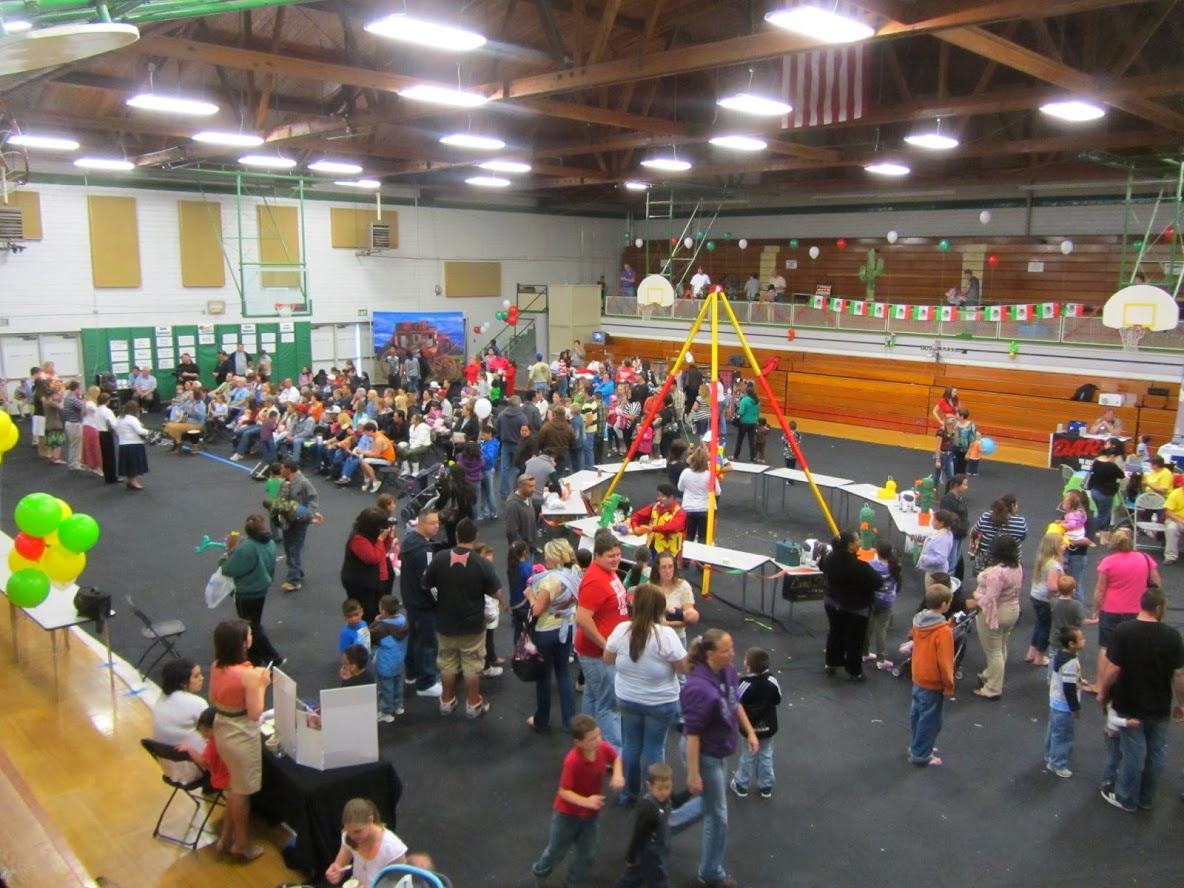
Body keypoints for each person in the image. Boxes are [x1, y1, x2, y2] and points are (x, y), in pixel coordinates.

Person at [679, 629, 759, 888]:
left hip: (718, 750)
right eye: (726, 650)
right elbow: (692, 735)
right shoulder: (698, 688)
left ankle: (661, 826)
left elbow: (735, 702)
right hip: (704, 755)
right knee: (718, 817)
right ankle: (711, 871)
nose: (732, 653)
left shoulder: (728, 671)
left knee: (709, 804)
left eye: (732, 648)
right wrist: (693, 774)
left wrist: (750, 732)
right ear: (710, 654)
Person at [1097, 587, 1184, 813]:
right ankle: (1146, 798)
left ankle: (1126, 797)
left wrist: (1103, 691)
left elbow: (1113, 668)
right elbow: (1178, 675)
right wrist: (1181, 703)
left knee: (1134, 753)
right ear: (1159, 608)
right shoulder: (1172, 636)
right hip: (1160, 704)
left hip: (1129, 703)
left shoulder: (1124, 631)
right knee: (1156, 752)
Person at [604, 584, 689, 807]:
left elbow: (607, 658)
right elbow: (683, 668)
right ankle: (654, 797)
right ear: (660, 608)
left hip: (628, 699)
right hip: (661, 702)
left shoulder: (622, 630)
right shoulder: (666, 635)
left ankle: (628, 795)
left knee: (631, 746)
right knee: (654, 748)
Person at [531, 714, 625, 886]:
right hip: (567, 815)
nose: (598, 741)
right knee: (556, 850)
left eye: (598, 735)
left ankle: (573, 881)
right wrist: (586, 801)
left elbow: (616, 758)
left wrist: (617, 775)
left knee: (587, 853)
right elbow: (563, 791)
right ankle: (540, 872)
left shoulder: (602, 748)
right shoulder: (572, 761)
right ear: (578, 742)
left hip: (590, 815)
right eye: (592, 739)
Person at [423, 518, 501, 718]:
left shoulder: (440, 558)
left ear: (456, 535)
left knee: (447, 663)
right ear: (475, 536)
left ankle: (446, 701)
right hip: (472, 624)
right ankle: (473, 704)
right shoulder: (482, 563)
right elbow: (496, 592)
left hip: (445, 622)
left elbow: (426, 583)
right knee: (472, 665)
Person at [209, 619, 270, 861]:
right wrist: (262, 685)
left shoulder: (216, 666)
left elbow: (213, 696)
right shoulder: (248, 675)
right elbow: (256, 712)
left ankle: (226, 837)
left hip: (223, 728)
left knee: (234, 786)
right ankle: (242, 843)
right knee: (241, 792)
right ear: (243, 643)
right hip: (241, 735)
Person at [574, 531, 631, 751]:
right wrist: (605, 645)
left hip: (602, 652)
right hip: (597, 654)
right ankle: (615, 753)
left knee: (593, 694)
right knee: (609, 705)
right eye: (610, 556)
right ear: (597, 555)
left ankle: (586, 742)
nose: (616, 559)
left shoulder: (609, 572)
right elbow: (582, 618)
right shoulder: (595, 581)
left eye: (618, 554)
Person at [1090, 528, 1160, 697]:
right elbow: (1156, 584)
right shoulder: (1145, 559)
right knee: (1136, 646)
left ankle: (1100, 685)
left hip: (1111, 609)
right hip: (1138, 610)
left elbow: (1100, 590)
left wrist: (1095, 609)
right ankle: (1134, 684)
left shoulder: (1108, 562)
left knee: (1106, 646)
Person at [525, 539, 582, 733]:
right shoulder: (574, 572)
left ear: (555, 557)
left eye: (548, 555)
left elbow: (537, 610)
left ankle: (541, 720)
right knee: (564, 674)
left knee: (543, 676)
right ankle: (570, 722)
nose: (545, 558)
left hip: (547, 630)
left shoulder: (551, 580)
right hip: (566, 626)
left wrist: (530, 595)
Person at [965, 534, 1024, 700]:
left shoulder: (998, 573)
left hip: (995, 614)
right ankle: (991, 674)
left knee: (993, 651)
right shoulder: (1017, 567)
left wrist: (975, 598)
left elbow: (990, 599)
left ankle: (992, 688)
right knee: (1001, 645)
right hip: (1012, 610)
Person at [219, 514, 281, 667]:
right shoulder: (270, 543)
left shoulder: (247, 547)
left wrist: (224, 559)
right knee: (255, 622)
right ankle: (254, 657)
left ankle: (273, 657)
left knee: (250, 627)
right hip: (262, 589)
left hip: (247, 592)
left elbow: (228, 569)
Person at [821, 531, 884, 680]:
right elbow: (878, 582)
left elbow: (821, 565)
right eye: (858, 540)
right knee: (855, 640)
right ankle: (854, 671)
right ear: (850, 545)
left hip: (832, 603)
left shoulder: (830, 557)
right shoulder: (860, 567)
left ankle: (831, 663)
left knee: (835, 632)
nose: (860, 542)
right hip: (856, 608)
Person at [907, 584, 955, 766]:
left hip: (918, 675)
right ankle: (921, 754)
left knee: (917, 713)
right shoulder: (943, 631)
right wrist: (949, 685)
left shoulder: (919, 621)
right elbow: (945, 661)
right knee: (931, 719)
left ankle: (917, 744)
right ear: (944, 604)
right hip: (933, 680)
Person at [400, 507, 443, 698]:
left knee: (414, 638)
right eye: (433, 523)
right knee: (427, 642)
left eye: (438, 522)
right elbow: (428, 582)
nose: (437, 526)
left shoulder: (409, 541)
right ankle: (426, 682)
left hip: (410, 599)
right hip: (423, 603)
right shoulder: (424, 551)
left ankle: (411, 673)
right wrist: (439, 601)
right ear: (421, 523)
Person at [728, 647, 781, 799]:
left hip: (750, 727)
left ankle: (741, 784)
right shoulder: (772, 681)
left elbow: (735, 701)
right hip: (769, 725)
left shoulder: (745, 683)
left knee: (748, 755)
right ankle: (766, 785)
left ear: (748, 665)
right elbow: (778, 699)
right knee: (766, 754)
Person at [616, 762, 679, 888]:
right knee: (659, 881)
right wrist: (631, 856)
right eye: (660, 788)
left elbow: (677, 801)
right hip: (650, 854)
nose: (664, 792)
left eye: (667, 788)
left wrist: (689, 792)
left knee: (633, 878)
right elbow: (638, 834)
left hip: (658, 851)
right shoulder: (648, 809)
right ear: (649, 786)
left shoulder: (666, 800)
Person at [325, 798, 413, 886]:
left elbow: (402, 882)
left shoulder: (392, 846)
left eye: (357, 831)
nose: (352, 836)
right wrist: (335, 872)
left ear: (370, 820)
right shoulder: (348, 837)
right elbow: (340, 864)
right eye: (348, 831)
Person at [152, 659, 208, 783]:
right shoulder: (197, 703)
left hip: (169, 769)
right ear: (183, 683)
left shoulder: (161, 699)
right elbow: (214, 732)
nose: (202, 678)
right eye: (196, 676)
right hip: (195, 767)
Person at [272, 459, 323, 592]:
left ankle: (294, 580)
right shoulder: (284, 483)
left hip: (300, 521)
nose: (280, 470)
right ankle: (297, 571)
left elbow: (313, 500)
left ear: (288, 470)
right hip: (287, 520)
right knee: (288, 548)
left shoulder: (304, 483)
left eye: (282, 468)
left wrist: (308, 515)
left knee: (294, 549)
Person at [340, 506, 395, 624]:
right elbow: (373, 558)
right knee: (368, 614)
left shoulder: (372, 533)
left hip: (375, 580)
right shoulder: (358, 538)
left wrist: (389, 536)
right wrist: (380, 539)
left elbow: (383, 551)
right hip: (361, 584)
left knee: (378, 611)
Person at [1044, 627, 1085, 778]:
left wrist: (1079, 680)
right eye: (1081, 639)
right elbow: (1069, 689)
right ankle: (1058, 764)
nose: (1084, 641)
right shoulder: (1071, 663)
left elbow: (1063, 678)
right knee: (1063, 735)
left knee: (1053, 730)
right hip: (1064, 706)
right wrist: (1075, 708)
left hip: (1055, 700)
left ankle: (1049, 755)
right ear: (1071, 644)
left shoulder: (1060, 656)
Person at [1025, 532, 1065, 668]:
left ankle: (1031, 653)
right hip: (1044, 600)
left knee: (1040, 624)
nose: (1064, 546)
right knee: (1046, 628)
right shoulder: (1053, 566)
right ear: (1055, 546)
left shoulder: (1044, 559)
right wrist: (1067, 587)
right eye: (1061, 544)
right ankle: (1039, 657)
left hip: (1036, 595)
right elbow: (1052, 586)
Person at [370, 595, 408, 723]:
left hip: (385, 664)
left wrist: (375, 622)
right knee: (398, 684)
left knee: (385, 688)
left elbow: (366, 636)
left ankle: (386, 712)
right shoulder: (403, 621)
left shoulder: (380, 628)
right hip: (398, 662)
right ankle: (398, 706)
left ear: (383, 610)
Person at [864, 540, 901, 671]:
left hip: (872, 599)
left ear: (877, 552)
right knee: (881, 629)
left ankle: (865, 653)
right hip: (887, 600)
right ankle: (881, 659)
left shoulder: (870, 565)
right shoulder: (895, 566)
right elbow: (898, 583)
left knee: (868, 626)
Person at [627, 483, 687, 562]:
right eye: (658, 496)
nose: (658, 499)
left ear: (671, 497)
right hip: (651, 550)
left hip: (670, 555)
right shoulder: (654, 507)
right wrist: (635, 527)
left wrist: (652, 528)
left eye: (662, 496)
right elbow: (636, 516)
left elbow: (673, 527)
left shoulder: (680, 512)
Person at [970, 494, 1028, 574]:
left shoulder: (985, 517)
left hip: (987, 562)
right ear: (1012, 505)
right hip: (1011, 562)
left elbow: (975, 531)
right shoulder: (1020, 522)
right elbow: (1023, 537)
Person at [650, 552, 698, 645]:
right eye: (663, 567)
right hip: (654, 637)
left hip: (677, 638)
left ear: (675, 568)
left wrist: (668, 624)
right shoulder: (650, 587)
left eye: (670, 566)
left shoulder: (684, 586)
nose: (667, 571)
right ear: (657, 569)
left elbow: (688, 619)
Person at [1086, 442, 1127, 545]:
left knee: (1104, 514)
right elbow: (1121, 475)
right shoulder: (1111, 466)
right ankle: (1088, 533)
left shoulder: (1096, 461)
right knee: (1103, 516)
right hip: (1105, 493)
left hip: (1095, 491)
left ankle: (1103, 537)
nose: (1115, 460)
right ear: (1112, 456)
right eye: (1115, 458)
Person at [938, 475, 970, 580]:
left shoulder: (958, 498)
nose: (966, 487)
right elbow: (946, 518)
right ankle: (947, 585)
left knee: (954, 562)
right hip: (953, 536)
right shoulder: (948, 500)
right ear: (956, 485)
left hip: (959, 535)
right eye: (964, 485)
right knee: (950, 564)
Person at [114, 399, 150, 490]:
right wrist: (149, 432)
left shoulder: (119, 418)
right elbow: (140, 431)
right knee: (134, 464)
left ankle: (130, 480)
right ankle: (134, 482)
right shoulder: (132, 419)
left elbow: (116, 430)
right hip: (134, 444)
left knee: (128, 464)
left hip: (123, 444)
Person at [917, 510, 957, 590]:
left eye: (934, 520)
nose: (932, 522)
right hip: (935, 571)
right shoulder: (944, 533)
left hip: (936, 574)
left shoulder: (943, 538)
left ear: (941, 523)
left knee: (932, 594)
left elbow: (941, 559)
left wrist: (924, 558)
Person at [731, 386, 759, 462]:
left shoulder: (744, 400)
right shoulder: (757, 401)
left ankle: (736, 456)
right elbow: (758, 413)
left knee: (740, 440)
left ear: (746, 392)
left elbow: (741, 412)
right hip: (753, 423)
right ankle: (752, 458)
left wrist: (737, 410)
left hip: (744, 423)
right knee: (751, 441)